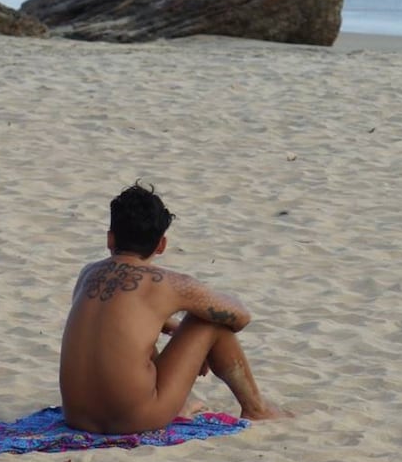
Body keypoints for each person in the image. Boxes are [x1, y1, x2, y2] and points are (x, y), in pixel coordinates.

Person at [59, 182, 289, 434]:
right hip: (132, 420)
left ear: (110, 238)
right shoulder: (169, 284)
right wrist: (196, 340)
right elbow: (240, 317)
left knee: (130, 337)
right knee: (209, 321)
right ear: (161, 245)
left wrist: (178, 333)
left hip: (76, 415)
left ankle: (181, 400)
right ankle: (257, 408)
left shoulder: (88, 274)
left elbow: (115, 323)